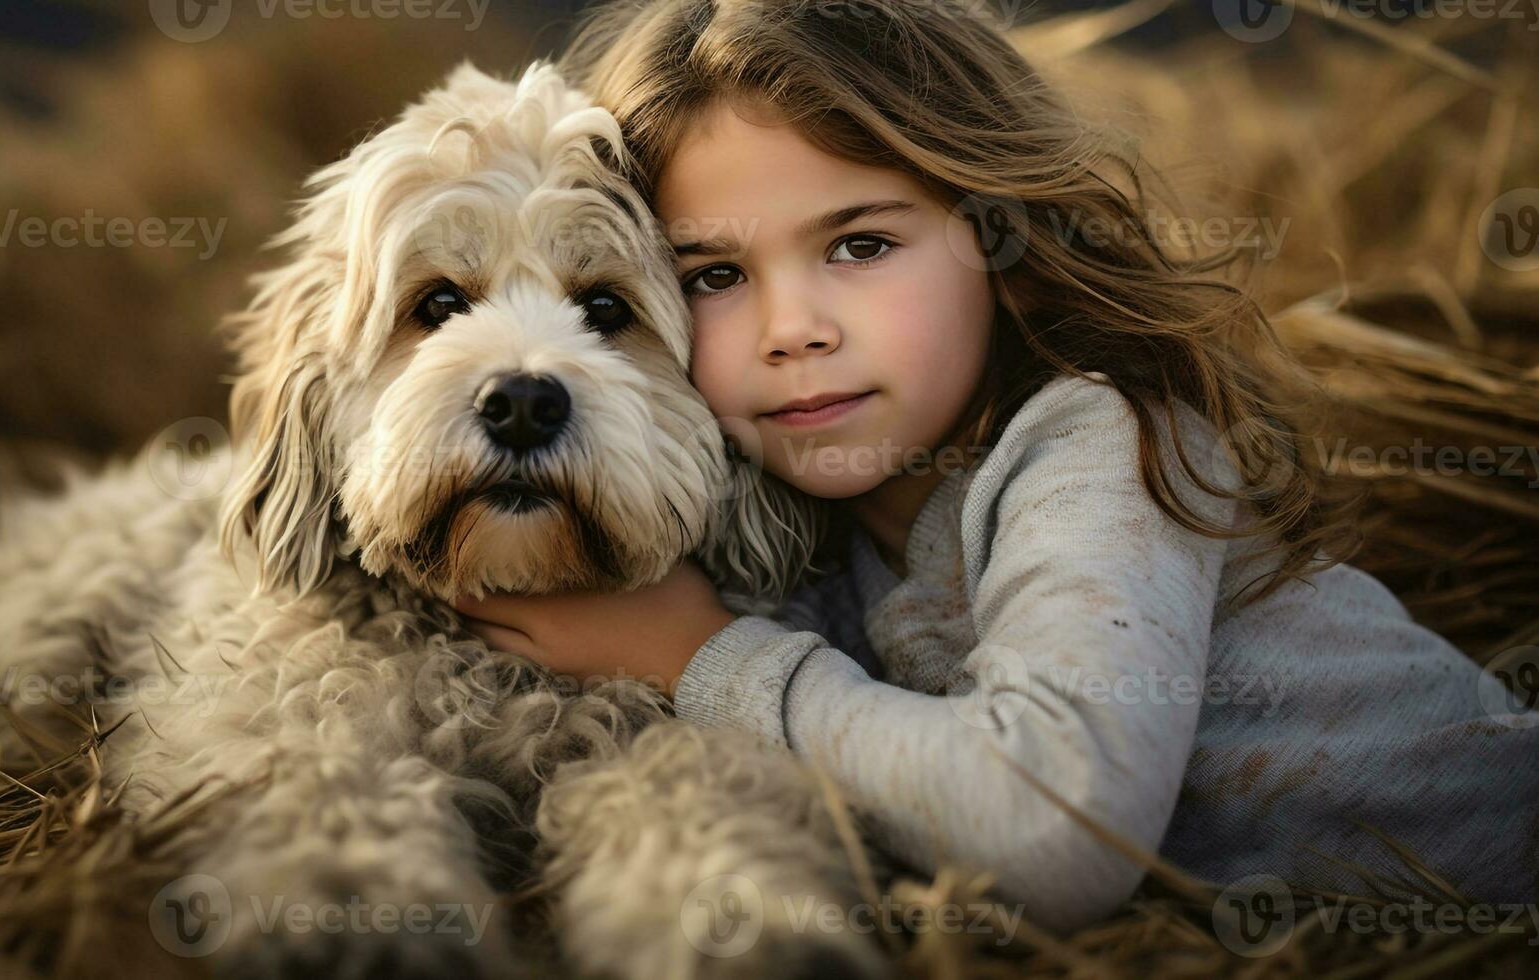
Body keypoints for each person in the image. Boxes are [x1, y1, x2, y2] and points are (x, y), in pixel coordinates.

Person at [453, 0, 1539, 931]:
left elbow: (1058, 829)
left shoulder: (1097, 443)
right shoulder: (800, 534)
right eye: (714, 273)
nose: (793, 328)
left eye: (862, 245)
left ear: (1005, 246)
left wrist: (699, 654)